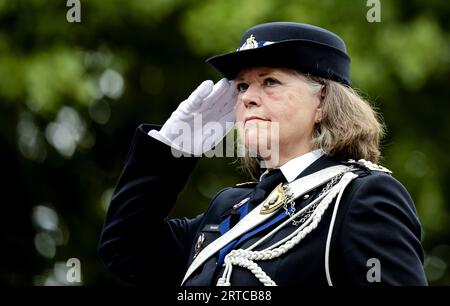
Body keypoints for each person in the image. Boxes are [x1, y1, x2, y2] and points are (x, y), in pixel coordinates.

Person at [98, 22, 427, 286]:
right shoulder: (228, 208)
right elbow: (125, 249)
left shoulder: (360, 196)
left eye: (269, 82)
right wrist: (172, 150)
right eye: (242, 86)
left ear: (323, 102)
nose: (247, 98)